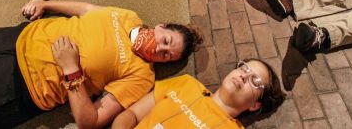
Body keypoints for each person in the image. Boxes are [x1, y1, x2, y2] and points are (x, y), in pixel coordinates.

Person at [0, 0, 203, 128]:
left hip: (21, 86)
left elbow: (91, 121)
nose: (160, 49)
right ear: (161, 27)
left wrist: (71, 71)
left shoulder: (141, 76)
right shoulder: (129, 17)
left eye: (167, 55)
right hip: (12, 38)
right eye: (166, 40)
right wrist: (45, 2)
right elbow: (85, 10)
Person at [112, 59, 285, 128]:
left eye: (255, 81)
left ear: (255, 105)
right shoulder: (187, 83)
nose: (244, 75)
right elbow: (132, 114)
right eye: (244, 67)